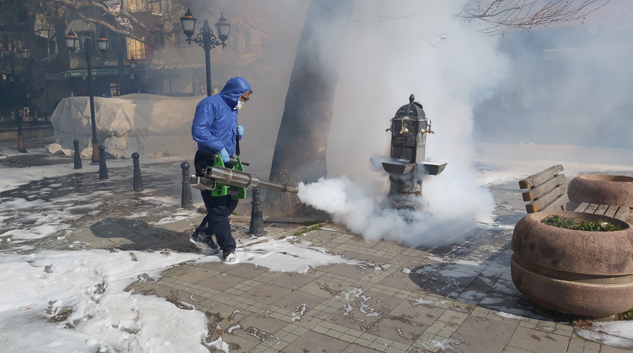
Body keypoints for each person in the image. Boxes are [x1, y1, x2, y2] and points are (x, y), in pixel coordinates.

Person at [190, 77, 252, 263]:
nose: (244, 102)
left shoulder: (232, 107)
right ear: (234, 93)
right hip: (208, 162)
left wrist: (236, 134)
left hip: (225, 162)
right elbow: (199, 130)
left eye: (246, 99)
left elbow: (221, 130)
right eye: (244, 98)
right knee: (217, 207)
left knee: (231, 201)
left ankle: (202, 233)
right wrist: (218, 147)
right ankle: (228, 248)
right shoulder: (209, 104)